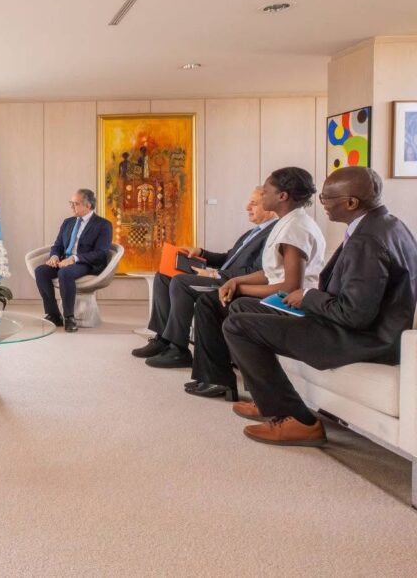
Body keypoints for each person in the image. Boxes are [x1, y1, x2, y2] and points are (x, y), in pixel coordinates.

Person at [223, 167, 417, 446]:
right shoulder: (388, 224)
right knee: (242, 308)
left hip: (360, 338)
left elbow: (354, 315)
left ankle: (298, 421)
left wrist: (308, 297)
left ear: (351, 203)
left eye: (327, 198)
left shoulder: (367, 241)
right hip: (352, 326)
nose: (321, 202)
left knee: (237, 326)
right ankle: (266, 399)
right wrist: (309, 298)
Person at [187, 167, 326, 401]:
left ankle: (217, 379)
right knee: (210, 302)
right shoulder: (288, 222)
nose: (262, 195)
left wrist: (240, 288)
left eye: (265, 192)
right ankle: (216, 378)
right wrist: (236, 280)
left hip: (288, 303)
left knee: (211, 304)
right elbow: (272, 272)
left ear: (282, 196)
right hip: (278, 295)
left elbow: (290, 287)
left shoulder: (295, 229)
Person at [134, 187, 277, 369]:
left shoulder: (273, 233)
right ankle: (163, 339)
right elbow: (228, 258)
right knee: (163, 276)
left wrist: (215, 274)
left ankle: (178, 349)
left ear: (270, 206)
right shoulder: (252, 233)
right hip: (220, 276)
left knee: (181, 282)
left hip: (230, 284)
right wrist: (200, 252)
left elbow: (258, 271)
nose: (247, 207)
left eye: (254, 203)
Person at [34, 189, 114, 332]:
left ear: (88, 205)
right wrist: (54, 256)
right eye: (71, 203)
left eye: (75, 204)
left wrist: (74, 258)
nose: (71, 207)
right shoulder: (68, 222)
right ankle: (54, 314)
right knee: (40, 271)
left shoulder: (103, 225)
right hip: (64, 261)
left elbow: (100, 253)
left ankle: (69, 317)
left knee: (65, 273)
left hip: (86, 263)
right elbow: (58, 245)